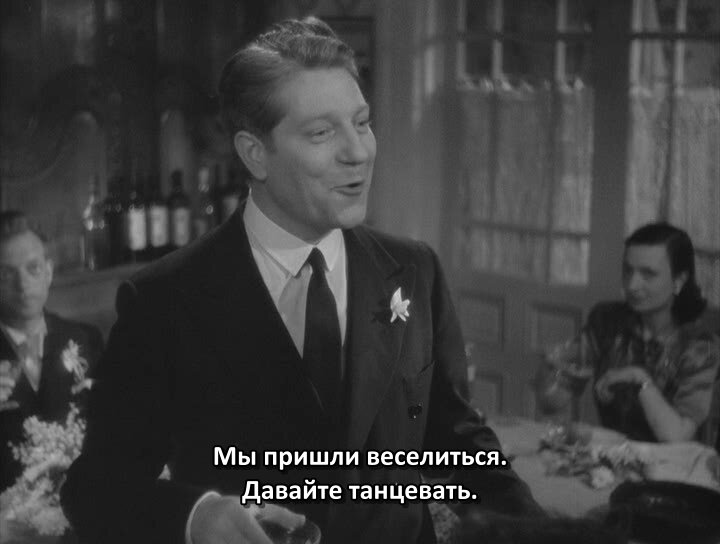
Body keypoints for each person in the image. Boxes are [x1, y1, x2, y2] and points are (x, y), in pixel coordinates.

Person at [61, 16, 542, 544]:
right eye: (322, 133)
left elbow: (459, 443)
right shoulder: (165, 301)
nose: (358, 151)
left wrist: (549, 535)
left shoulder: (414, 270)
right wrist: (197, 516)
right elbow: (95, 488)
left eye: (362, 122)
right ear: (255, 154)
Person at [537, 222, 720, 443]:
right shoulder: (607, 322)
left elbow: (676, 437)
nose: (632, 285)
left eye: (648, 274)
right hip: (613, 457)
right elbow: (551, 404)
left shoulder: (700, 347)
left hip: (672, 462)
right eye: (628, 270)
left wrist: (639, 379)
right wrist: (555, 370)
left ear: (678, 281)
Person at [0, 211, 103, 491]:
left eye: (32, 268)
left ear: (48, 271)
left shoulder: (85, 340)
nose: (22, 285)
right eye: (7, 274)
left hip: (84, 500)